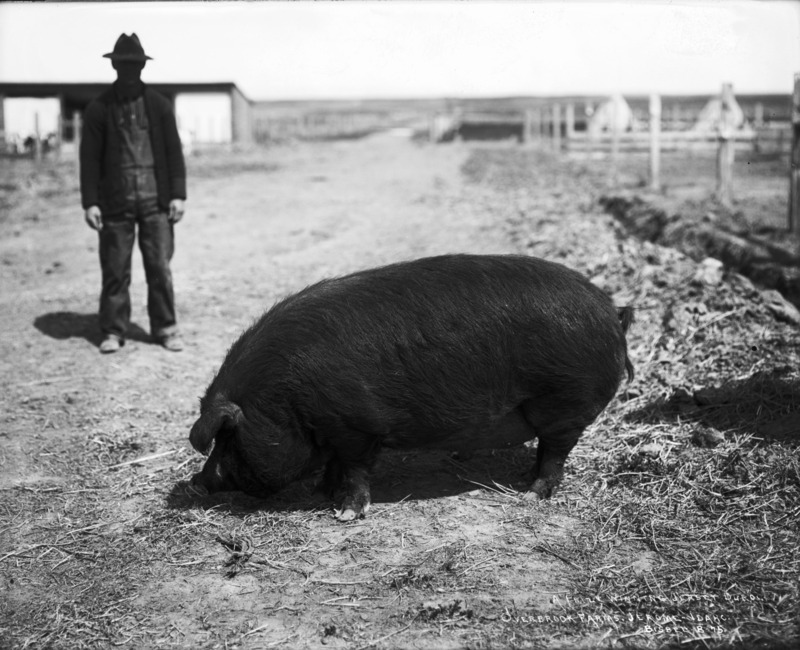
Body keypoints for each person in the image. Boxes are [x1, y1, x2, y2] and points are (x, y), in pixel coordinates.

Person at [80, 33, 186, 354]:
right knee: (115, 271)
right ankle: (113, 331)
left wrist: (177, 194)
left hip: (156, 203)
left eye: (134, 65)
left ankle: (165, 328)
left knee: (159, 268)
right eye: (123, 65)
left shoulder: (159, 106)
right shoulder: (99, 108)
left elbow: (173, 152)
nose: (129, 71)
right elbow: (89, 159)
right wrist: (91, 202)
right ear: (114, 66)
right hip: (115, 204)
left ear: (142, 67)